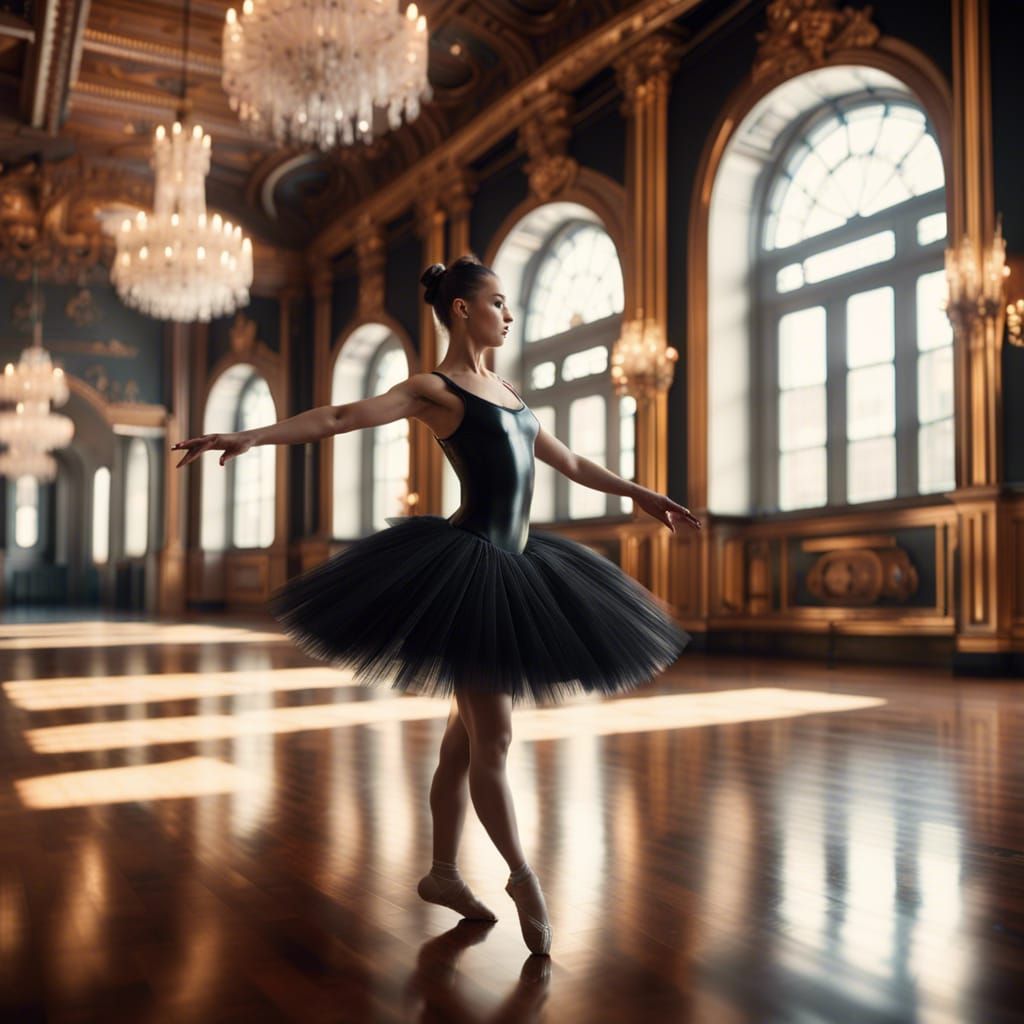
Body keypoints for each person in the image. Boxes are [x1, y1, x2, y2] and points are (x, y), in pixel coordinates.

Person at [172, 253, 702, 957]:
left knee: (463, 741)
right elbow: (340, 415)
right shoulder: (435, 390)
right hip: (470, 572)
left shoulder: (508, 391)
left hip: (518, 568)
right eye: (498, 302)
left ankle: (444, 872)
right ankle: (522, 877)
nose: (508, 314)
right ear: (462, 309)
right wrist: (251, 435)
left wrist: (642, 494)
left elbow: (571, 463)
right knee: (495, 738)